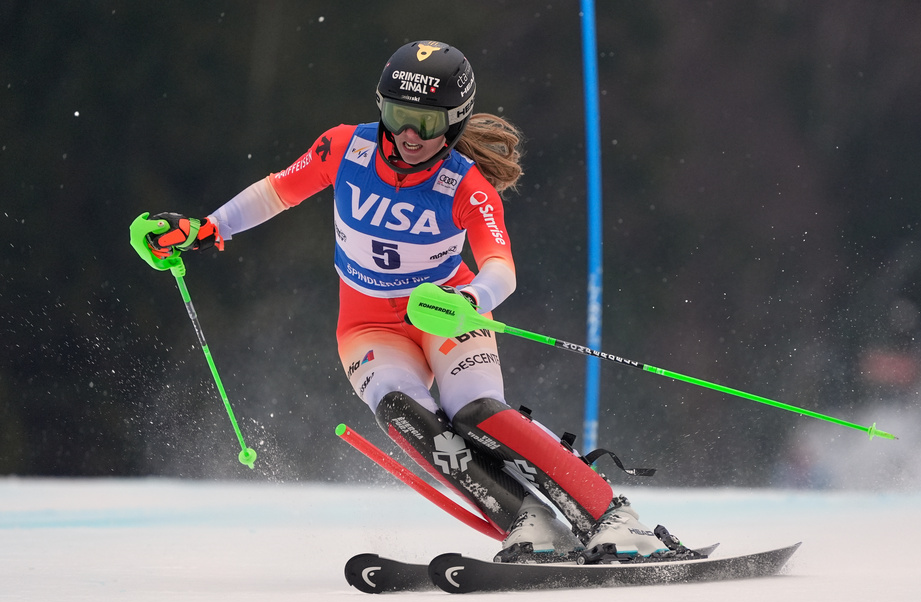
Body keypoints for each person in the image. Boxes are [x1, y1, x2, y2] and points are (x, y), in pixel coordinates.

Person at [136, 40, 699, 564]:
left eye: (426, 123)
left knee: (475, 412)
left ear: (454, 122)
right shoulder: (345, 148)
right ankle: (528, 522)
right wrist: (206, 228)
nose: (408, 135)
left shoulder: (466, 185)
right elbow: (277, 191)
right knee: (404, 413)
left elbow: (501, 268)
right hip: (367, 325)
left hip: (443, 314)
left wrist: (470, 298)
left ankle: (612, 516)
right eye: (397, 115)